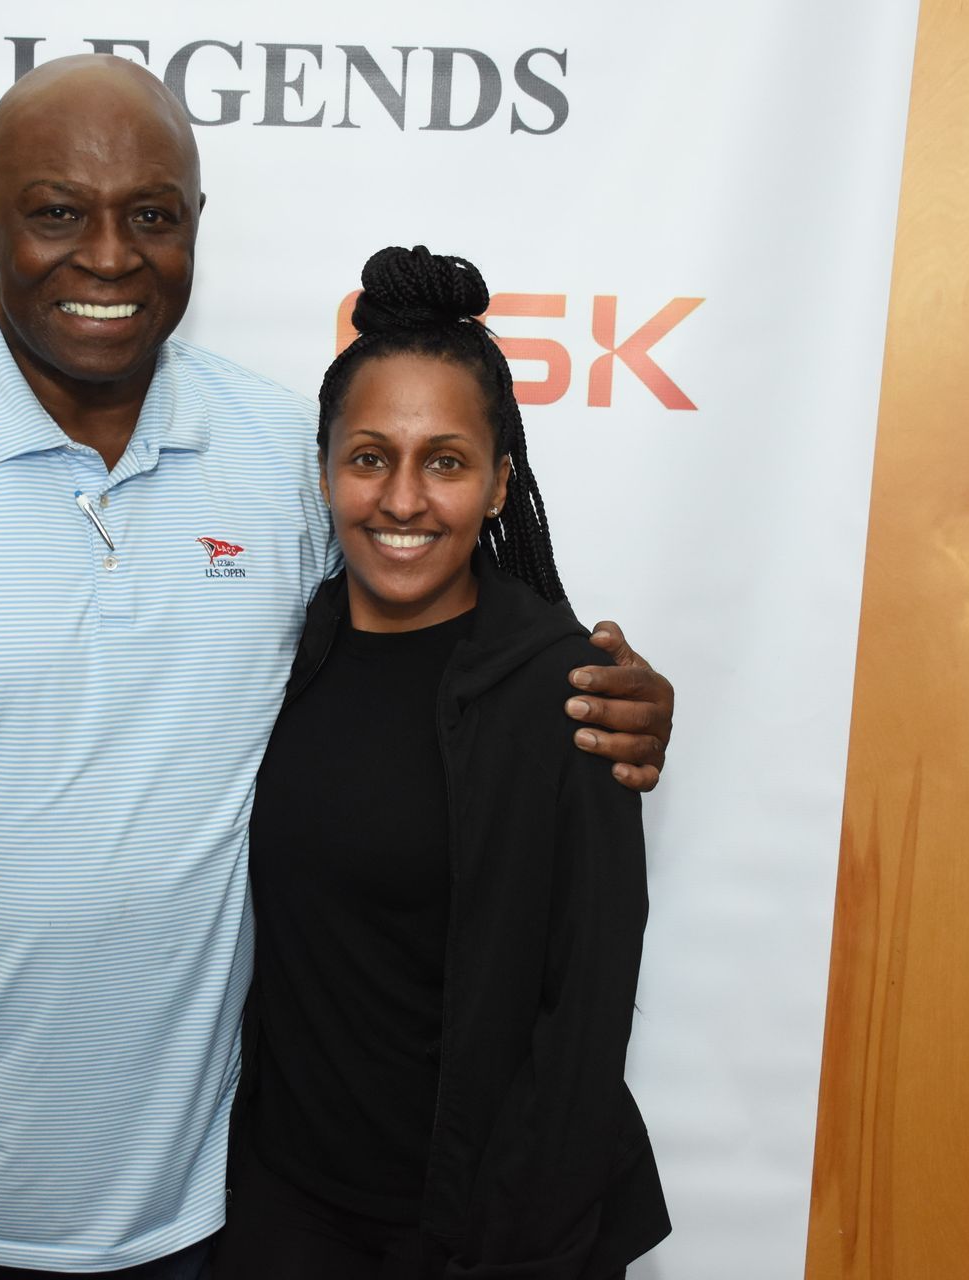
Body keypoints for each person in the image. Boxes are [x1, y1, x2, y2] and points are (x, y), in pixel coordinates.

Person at [0, 56, 675, 1279]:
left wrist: (596, 691)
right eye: (55, 212)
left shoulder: (278, 454)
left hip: (201, 1208)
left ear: (195, 226)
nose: (108, 257)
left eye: (151, 215)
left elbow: (428, 632)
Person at [217, 246, 668, 1279]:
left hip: (485, 1227)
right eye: (370, 456)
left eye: (447, 461)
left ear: (501, 483)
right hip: (288, 1213)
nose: (404, 499)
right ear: (326, 468)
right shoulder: (276, 651)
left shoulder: (573, 692)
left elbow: (585, 1017)